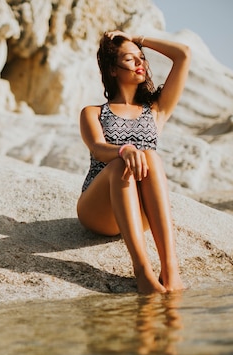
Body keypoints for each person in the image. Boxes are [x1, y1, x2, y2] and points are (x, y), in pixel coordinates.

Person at [77, 30, 191, 294]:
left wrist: (137, 39)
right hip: (99, 209)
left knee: (150, 155)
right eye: (130, 59)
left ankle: (170, 270)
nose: (141, 63)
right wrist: (123, 150)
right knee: (120, 163)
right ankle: (142, 273)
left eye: (142, 58)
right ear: (112, 70)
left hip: (139, 213)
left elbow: (183, 55)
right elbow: (97, 148)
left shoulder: (156, 110)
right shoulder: (93, 112)